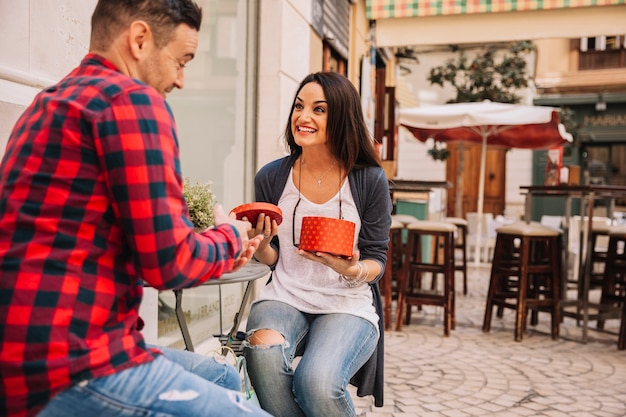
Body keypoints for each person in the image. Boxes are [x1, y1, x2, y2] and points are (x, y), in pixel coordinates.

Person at [0, 1, 271, 416]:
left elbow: (139, 245)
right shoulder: (130, 101)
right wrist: (231, 235)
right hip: (78, 362)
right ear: (140, 39)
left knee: (223, 376)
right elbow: (170, 265)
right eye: (181, 60)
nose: (181, 80)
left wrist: (216, 253)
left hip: (23, 354)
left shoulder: (46, 105)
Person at [243, 72, 392, 417]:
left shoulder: (368, 180)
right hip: (285, 295)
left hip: (346, 302)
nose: (303, 117)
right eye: (299, 106)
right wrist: (263, 242)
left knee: (317, 382)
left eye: (319, 110)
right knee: (262, 353)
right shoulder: (272, 177)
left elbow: (376, 260)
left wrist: (350, 268)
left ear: (341, 117)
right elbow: (273, 257)